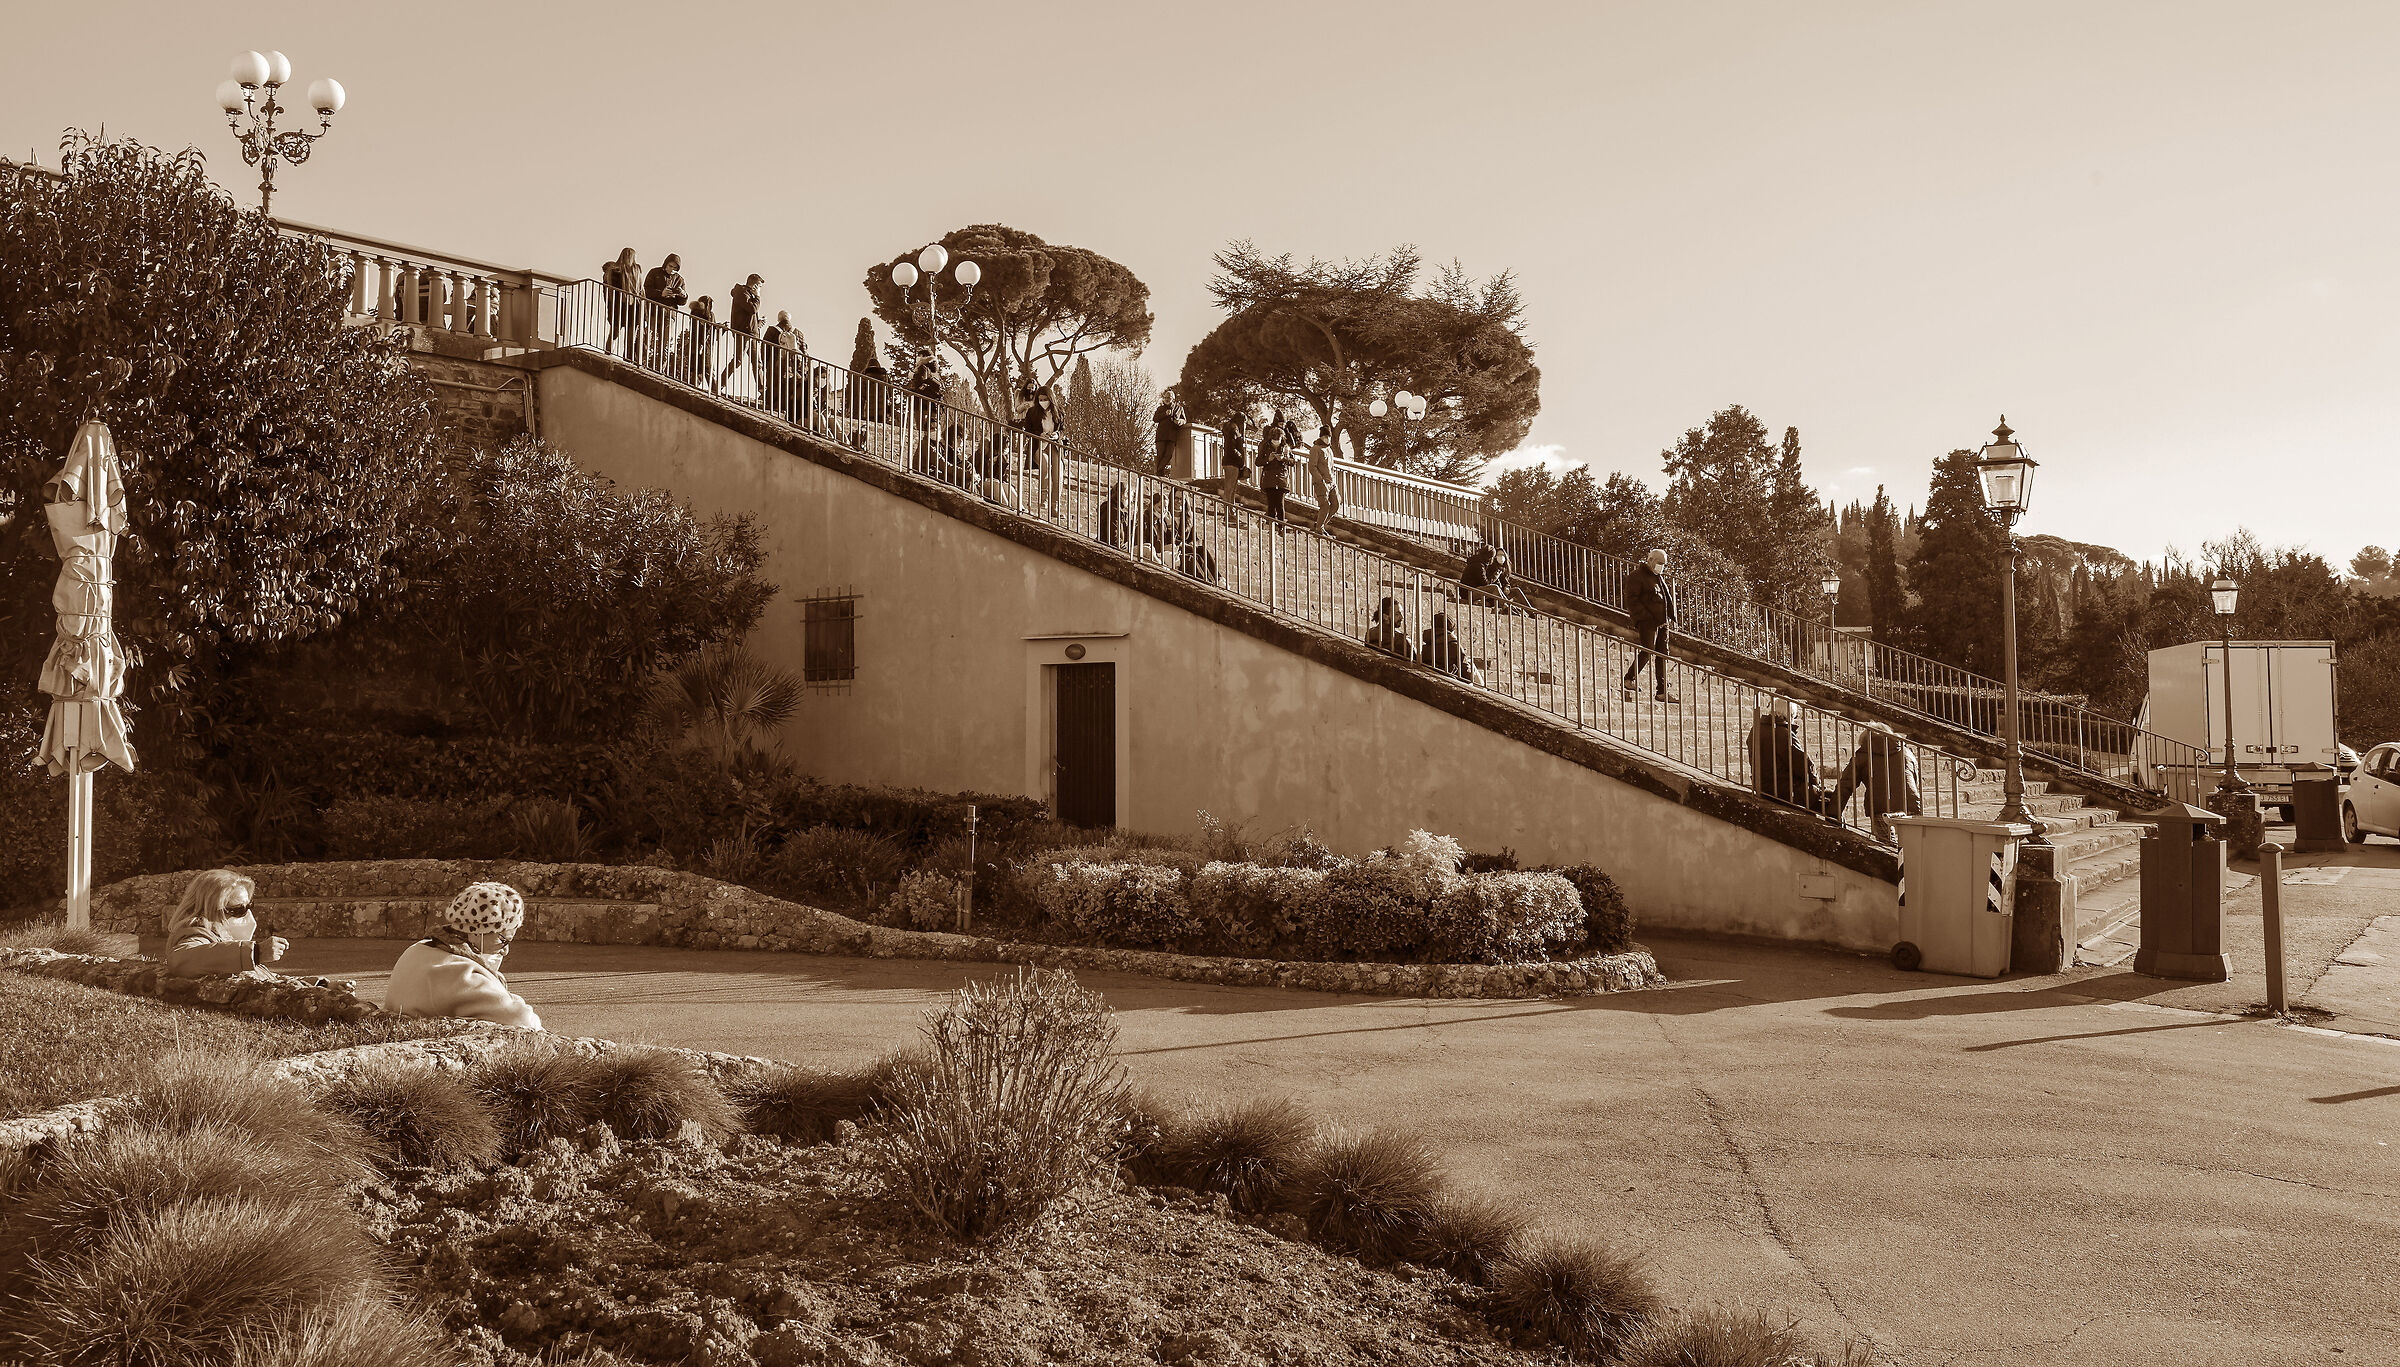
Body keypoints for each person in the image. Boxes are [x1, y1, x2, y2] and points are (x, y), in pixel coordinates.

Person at [385, 883, 543, 1030]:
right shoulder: (463, 973)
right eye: (503, 940)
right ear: (478, 931)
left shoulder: (417, 949)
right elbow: (522, 1020)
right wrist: (515, 1000)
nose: (505, 950)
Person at [162, 868, 286, 977]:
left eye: (249, 906)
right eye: (238, 910)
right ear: (209, 910)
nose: (247, 914)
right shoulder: (197, 934)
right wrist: (256, 952)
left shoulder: (220, 937)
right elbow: (180, 960)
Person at [1833, 721, 1923, 842]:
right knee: (1912, 845)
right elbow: (1914, 778)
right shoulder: (1906, 752)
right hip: (1909, 802)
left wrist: (1833, 812)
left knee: (1887, 844)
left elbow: (1846, 784)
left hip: (1880, 806)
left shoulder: (1863, 754)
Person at [1748, 693, 1826, 814]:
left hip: (1762, 785)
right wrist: (1816, 781)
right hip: (1783, 788)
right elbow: (1802, 763)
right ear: (1790, 714)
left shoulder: (1756, 729)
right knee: (1830, 801)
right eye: (1794, 716)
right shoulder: (1783, 734)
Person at [1621, 548, 1678, 703]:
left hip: (1662, 623)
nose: (1662, 566)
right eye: (1660, 563)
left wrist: (1671, 618)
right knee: (1648, 651)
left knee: (1663, 655)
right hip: (1648, 622)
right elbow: (1632, 600)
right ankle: (1629, 679)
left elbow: (1666, 599)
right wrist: (1646, 617)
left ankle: (1662, 692)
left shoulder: (1658, 577)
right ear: (1650, 560)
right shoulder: (1637, 576)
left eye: (1664, 564)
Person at [641, 252, 687, 368]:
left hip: (669, 314)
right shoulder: (654, 272)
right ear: (666, 264)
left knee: (665, 343)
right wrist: (661, 293)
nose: (672, 269)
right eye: (670, 266)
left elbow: (682, 302)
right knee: (647, 337)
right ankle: (642, 362)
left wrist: (683, 295)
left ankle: (661, 368)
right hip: (653, 311)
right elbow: (646, 290)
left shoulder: (680, 279)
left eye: (675, 268)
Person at [721, 274, 765, 393]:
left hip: (752, 333)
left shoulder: (748, 294)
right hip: (744, 332)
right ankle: (720, 383)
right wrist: (758, 297)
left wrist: (757, 323)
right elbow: (752, 309)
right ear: (755, 285)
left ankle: (762, 390)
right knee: (738, 360)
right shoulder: (741, 292)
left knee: (758, 363)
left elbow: (749, 314)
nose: (760, 289)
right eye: (759, 286)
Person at [763, 310, 804, 420]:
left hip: (776, 362)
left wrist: (765, 363)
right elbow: (803, 351)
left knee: (773, 385)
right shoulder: (798, 333)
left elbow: (765, 348)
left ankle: (771, 406)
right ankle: (783, 408)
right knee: (789, 386)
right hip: (793, 366)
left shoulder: (772, 330)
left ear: (779, 319)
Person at [601, 247, 642, 359]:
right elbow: (639, 290)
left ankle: (608, 354)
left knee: (614, 333)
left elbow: (608, 291)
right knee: (630, 336)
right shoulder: (636, 270)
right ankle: (628, 358)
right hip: (633, 306)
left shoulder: (613, 271)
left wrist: (610, 305)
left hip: (617, 306)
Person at [1257, 410, 1294, 527]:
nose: (1276, 442)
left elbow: (1292, 462)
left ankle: (1281, 527)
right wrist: (1268, 459)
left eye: (1278, 440)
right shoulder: (1265, 446)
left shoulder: (1285, 447)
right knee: (1271, 505)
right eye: (1274, 440)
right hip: (1269, 479)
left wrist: (1283, 459)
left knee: (1280, 505)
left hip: (1282, 479)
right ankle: (1271, 527)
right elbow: (1258, 462)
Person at [1421, 612, 1480, 683]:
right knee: (1471, 665)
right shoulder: (1455, 646)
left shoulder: (1426, 646)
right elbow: (1467, 675)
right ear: (1451, 629)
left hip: (1430, 679)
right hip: (1450, 680)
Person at [1307, 431, 1341, 533]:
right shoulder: (1315, 449)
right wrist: (1321, 481)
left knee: (1336, 504)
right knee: (1325, 505)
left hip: (1331, 482)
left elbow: (1332, 467)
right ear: (1321, 437)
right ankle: (1319, 528)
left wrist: (1333, 480)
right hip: (1321, 482)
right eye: (1325, 436)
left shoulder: (1329, 449)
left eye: (1329, 436)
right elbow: (1312, 467)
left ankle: (1320, 524)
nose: (1328, 438)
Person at [680, 294, 717, 389]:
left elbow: (708, 329)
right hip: (702, 344)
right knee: (706, 368)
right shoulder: (702, 313)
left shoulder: (698, 313)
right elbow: (703, 329)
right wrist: (702, 343)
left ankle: (693, 387)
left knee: (698, 369)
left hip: (699, 344)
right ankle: (714, 390)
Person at [1364, 597, 1416, 661]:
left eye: (1401, 613)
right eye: (1397, 614)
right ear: (1385, 617)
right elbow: (1416, 659)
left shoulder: (1370, 633)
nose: (1402, 617)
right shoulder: (1402, 640)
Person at [1219, 412, 1250, 513]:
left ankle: (1231, 509)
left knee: (1231, 488)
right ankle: (1228, 510)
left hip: (1229, 461)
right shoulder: (1234, 429)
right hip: (1233, 462)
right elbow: (1231, 448)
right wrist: (1240, 459)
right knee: (1230, 488)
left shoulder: (1230, 428)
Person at [1152, 388, 1187, 476]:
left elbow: (1184, 420)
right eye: (1165, 397)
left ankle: (1158, 472)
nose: (1167, 399)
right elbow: (1155, 419)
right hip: (1161, 436)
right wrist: (1165, 414)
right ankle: (1160, 474)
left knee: (1168, 455)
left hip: (1172, 436)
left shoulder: (1179, 408)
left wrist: (1180, 422)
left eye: (1169, 398)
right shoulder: (1160, 408)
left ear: (1173, 399)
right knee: (1160, 455)